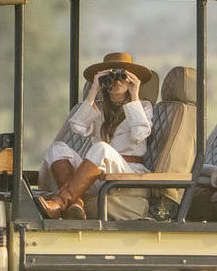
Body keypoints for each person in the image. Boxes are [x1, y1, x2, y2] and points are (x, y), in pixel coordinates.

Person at [37, 52, 153, 219]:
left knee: (102, 148)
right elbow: (77, 127)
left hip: (127, 172)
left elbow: (139, 134)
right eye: (111, 77)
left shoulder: (143, 106)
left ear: (131, 80)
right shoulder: (98, 107)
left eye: (123, 76)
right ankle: (75, 204)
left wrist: (134, 95)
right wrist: (93, 90)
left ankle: (61, 203)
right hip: (97, 175)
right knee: (57, 148)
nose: (117, 81)